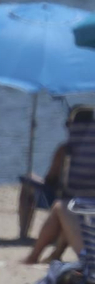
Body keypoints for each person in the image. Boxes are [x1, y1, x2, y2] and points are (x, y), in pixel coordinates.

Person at [23, 106, 95, 265]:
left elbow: (50, 179)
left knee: (56, 203)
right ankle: (53, 254)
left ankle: (27, 241)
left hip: (68, 200)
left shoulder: (65, 150)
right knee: (65, 208)